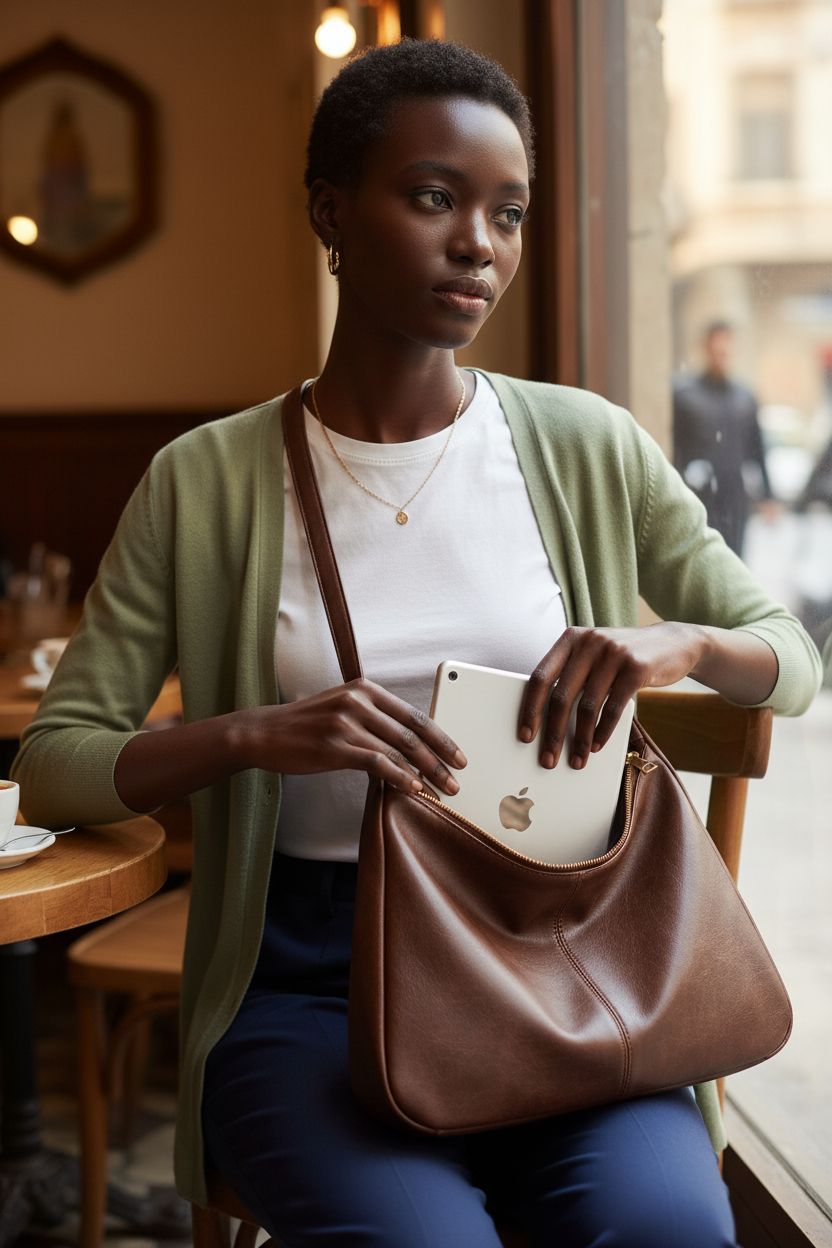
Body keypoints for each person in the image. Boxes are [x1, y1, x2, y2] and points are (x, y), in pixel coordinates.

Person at [13, 40, 822, 1248]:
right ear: (331, 211)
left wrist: (680, 647)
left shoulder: (584, 445)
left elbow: (791, 657)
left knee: (664, 1231)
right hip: (306, 990)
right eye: (434, 197)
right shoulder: (205, 482)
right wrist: (255, 737)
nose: (479, 246)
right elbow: (57, 762)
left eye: (507, 212)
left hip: (566, 962)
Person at [673, 320, 777, 556]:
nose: (722, 356)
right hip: (698, 496)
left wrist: (768, 495)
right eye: (717, 350)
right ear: (706, 349)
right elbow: (676, 450)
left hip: (734, 497)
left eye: (726, 351)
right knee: (701, 561)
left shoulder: (744, 398)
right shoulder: (686, 397)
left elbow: (757, 448)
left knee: (735, 561)